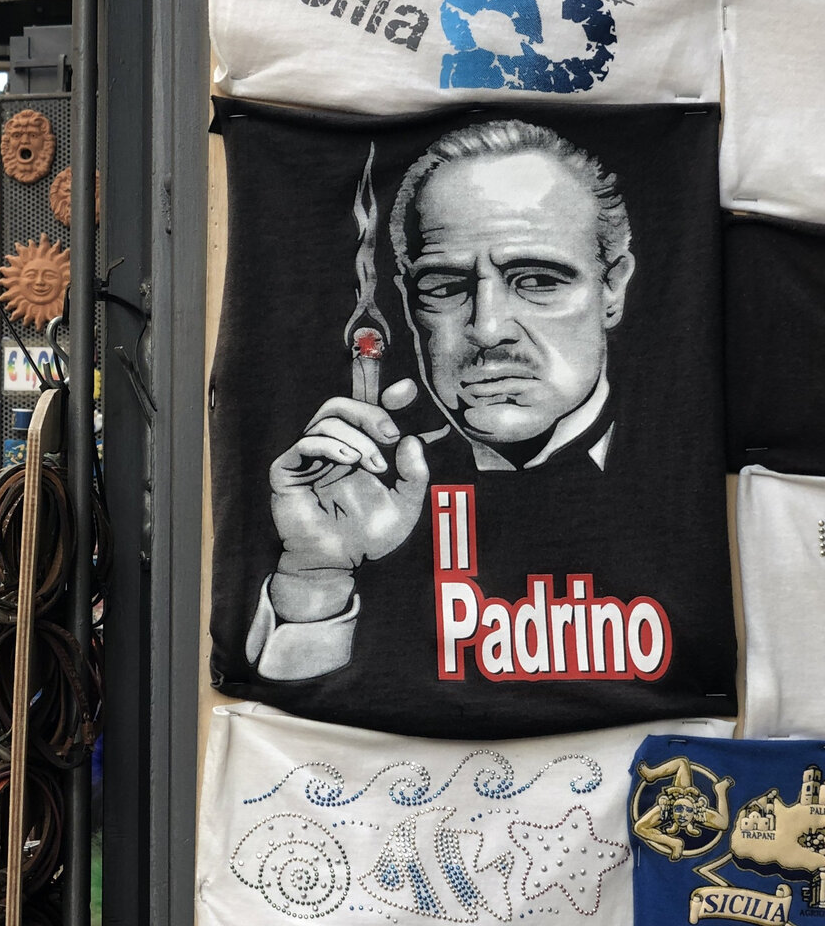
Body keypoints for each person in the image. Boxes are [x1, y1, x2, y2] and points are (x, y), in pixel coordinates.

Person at [247, 119, 636, 683]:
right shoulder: (372, 493)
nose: (488, 329)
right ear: (408, 304)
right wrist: (318, 574)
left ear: (612, 287)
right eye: (446, 287)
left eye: (538, 280)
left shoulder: (685, 469)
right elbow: (293, 712)